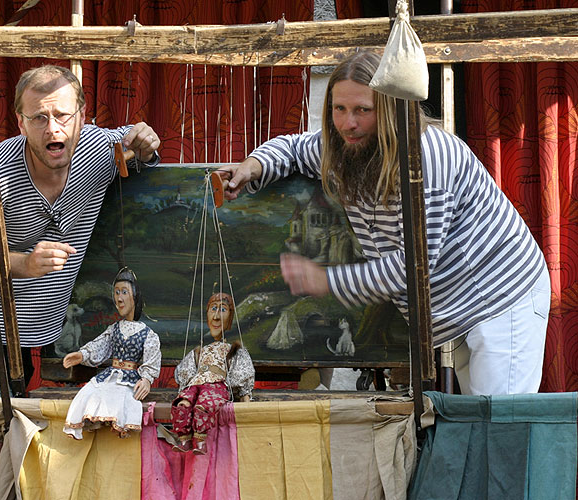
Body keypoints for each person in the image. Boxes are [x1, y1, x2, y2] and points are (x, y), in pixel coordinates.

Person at [217, 51, 550, 397]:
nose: (348, 123)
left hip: (501, 297)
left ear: (391, 110)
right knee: (480, 424)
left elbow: (414, 267)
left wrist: (326, 280)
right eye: (339, 109)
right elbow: (294, 148)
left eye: (363, 109)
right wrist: (252, 168)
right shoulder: (344, 146)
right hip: (456, 310)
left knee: (500, 424)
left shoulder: (427, 160)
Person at [0, 65, 160, 500]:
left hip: (15, 329)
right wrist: (21, 263)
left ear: (81, 116)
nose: (53, 127)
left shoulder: (98, 149)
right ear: (20, 122)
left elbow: (136, 142)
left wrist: (146, 145)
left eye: (62, 116)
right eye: (39, 118)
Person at [62, 267, 161, 439]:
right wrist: (82, 355)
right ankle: (94, 419)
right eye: (116, 293)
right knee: (91, 392)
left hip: (130, 380)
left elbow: (151, 360)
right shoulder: (114, 329)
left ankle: (116, 423)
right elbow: (100, 345)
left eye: (124, 292)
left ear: (135, 296)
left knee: (123, 398)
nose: (119, 298)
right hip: (110, 375)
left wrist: (146, 379)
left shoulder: (148, 334)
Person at [170, 292, 254, 454]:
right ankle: (184, 439)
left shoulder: (234, 350)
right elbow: (185, 377)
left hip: (216, 385)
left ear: (230, 317)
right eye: (213, 309)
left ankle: (201, 442)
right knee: (183, 404)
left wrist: (246, 403)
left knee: (204, 405)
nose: (216, 317)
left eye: (222, 310)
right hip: (195, 383)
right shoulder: (199, 351)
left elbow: (244, 380)